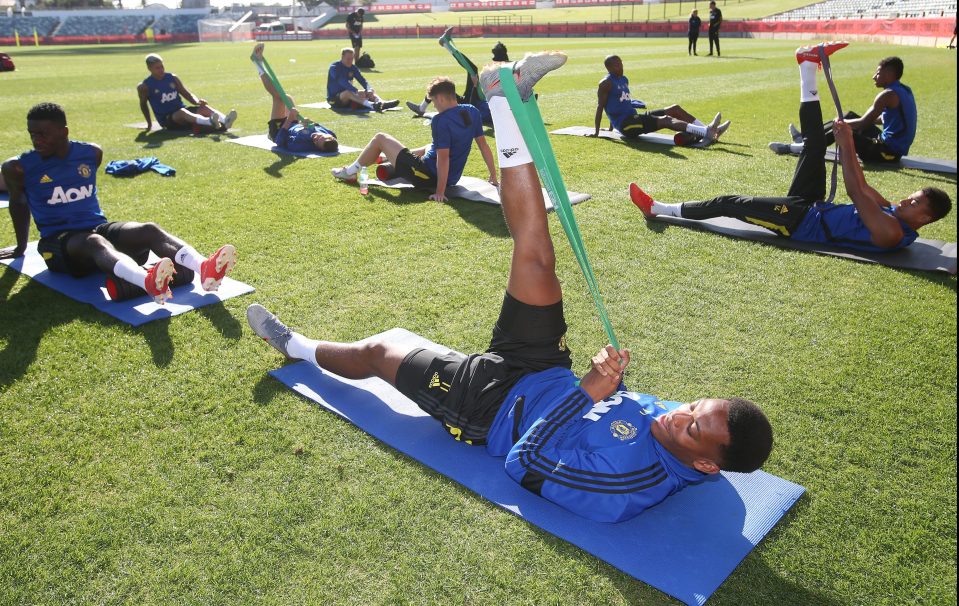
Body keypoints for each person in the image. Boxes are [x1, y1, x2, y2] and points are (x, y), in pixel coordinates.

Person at [248, 52, 774, 524]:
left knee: (382, 349)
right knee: (537, 255)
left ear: (705, 462)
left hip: (489, 406)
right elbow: (641, 413)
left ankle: (293, 345)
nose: (675, 412)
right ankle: (505, 97)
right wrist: (601, 380)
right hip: (545, 368)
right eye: (692, 405)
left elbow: (524, 463)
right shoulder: (695, 438)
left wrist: (593, 388)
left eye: (688, 427)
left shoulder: (625, 486)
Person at [630, 43, 952, 253]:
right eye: (913, 196)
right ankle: (807, 65)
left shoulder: (892, 233)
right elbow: (865, 186)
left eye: (914, 202)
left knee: (730, 202)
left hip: (799, 223)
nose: (907, 200)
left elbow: (855, 192)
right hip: (811, 205)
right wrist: (847, 144)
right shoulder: (894, 211)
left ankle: (659, 208)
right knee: (814, 145)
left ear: (924, 219)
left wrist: (849, 142)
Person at [0, 103, 238, 304]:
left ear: (64, 131)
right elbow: (19, 206)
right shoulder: (18, 167)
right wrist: (21, 247)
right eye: (32, 133)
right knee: (95, 241)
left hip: (96, 228)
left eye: (43, 133)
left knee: (149, 229)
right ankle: (147, 282)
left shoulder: (91, 153)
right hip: (59, 243)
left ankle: (205, 268)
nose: (36, 140)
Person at [331, 76, 497, 203]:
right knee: (430, 146)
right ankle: (383, 157)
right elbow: (483, 146)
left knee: (380, 138)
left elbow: (443, 158)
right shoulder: (472, 111)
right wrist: (493, 176)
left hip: (426, 175)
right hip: (451, 177)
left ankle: (350, 172)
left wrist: (440, 192)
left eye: (433, 102)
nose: (434, 107)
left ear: (439, 98)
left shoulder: (441, 120)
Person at [774, 56, 917, 164]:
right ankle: (807, 138)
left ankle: (797, 148)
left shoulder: (887, 95)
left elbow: (862, 124)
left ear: (888, 75)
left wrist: (841, 123)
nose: (874, 77)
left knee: (842, 128)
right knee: (847, 117)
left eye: (878, 73)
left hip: (888, 154)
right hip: (885, 145)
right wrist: (844, 120)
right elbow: (887, 119)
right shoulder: (903, 90)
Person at [592, 55, 730, 145]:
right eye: (617, 65)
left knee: (674, 109)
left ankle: (710, 131)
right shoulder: (605, 83)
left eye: (621, 63)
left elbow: (616, 102)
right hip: (626, 125)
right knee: (665, 119)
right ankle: (707, 132)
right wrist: (597, 132)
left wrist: (610, 127)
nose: (621, 66)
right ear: (609, 68)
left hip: (634, 117)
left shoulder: (624, 79)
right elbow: (601, 107)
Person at [251, 43, 338, 154]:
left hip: (279, 129)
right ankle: (259, 61)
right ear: (328, 136)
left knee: (278, 98)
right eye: (320, 138)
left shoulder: (301, 145)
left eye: (316, 143)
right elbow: (314, 126)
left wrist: (289, 119)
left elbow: (279, 141)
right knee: (287, 97)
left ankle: (257, 62)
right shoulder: (330, 134)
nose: (315, 138)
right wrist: (307, 122)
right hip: (294, 122)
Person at [405, 27, 492, 127]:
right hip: (473, 101)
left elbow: (473, 109)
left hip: (471, 103)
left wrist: (476, 86)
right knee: (472, 70)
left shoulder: (494, 112)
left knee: (470, 71)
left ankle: (446, 43)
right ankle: (447, 43)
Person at [137, 53, 237, 133]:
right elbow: (143, 105)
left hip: (183, 112)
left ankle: (225, 120)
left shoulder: (172, 77)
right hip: (167, 119)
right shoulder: (144, 86)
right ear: (149, 69)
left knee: (203, 108)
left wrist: (197, 101)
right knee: (182, 112)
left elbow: (187, 94)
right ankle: (209, 121)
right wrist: (149, 124)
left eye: (162, 66)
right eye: (157, 68)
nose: (161, 70)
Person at [326, 48, 399, 113]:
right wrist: (356, 91)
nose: (350, 61)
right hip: (333, 100)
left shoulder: (353, 67)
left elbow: (362, 80)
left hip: (349, 97)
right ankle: (372, 105)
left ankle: (381, 102)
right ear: (342, 57)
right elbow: (342, 81)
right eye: (348, 59)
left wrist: (368, 89)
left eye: (352, 59)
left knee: (368, 91)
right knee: (348, 92)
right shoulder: (334, 67)